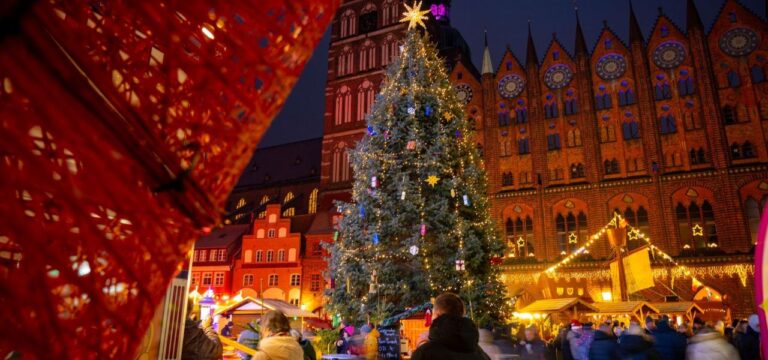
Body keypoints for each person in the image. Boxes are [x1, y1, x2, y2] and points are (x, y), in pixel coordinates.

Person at [411, 292, 490, 360]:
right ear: (462, 315)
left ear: (436, 315)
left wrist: (421, 348)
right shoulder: (482, 354)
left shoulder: (425, 353)